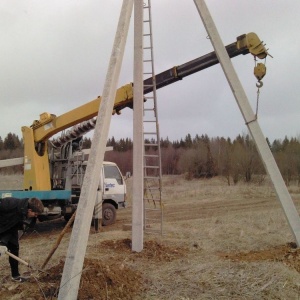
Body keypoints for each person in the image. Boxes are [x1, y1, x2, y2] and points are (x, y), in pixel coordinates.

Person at [0, 197, 44, 282]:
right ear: (30, 210)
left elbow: (12, 226)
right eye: (35, 214)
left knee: (14, 248)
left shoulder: (23, 211)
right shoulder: (9, 204)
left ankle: (15, 276)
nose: (36, 216)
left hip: (9, 228)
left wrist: (3, 242)